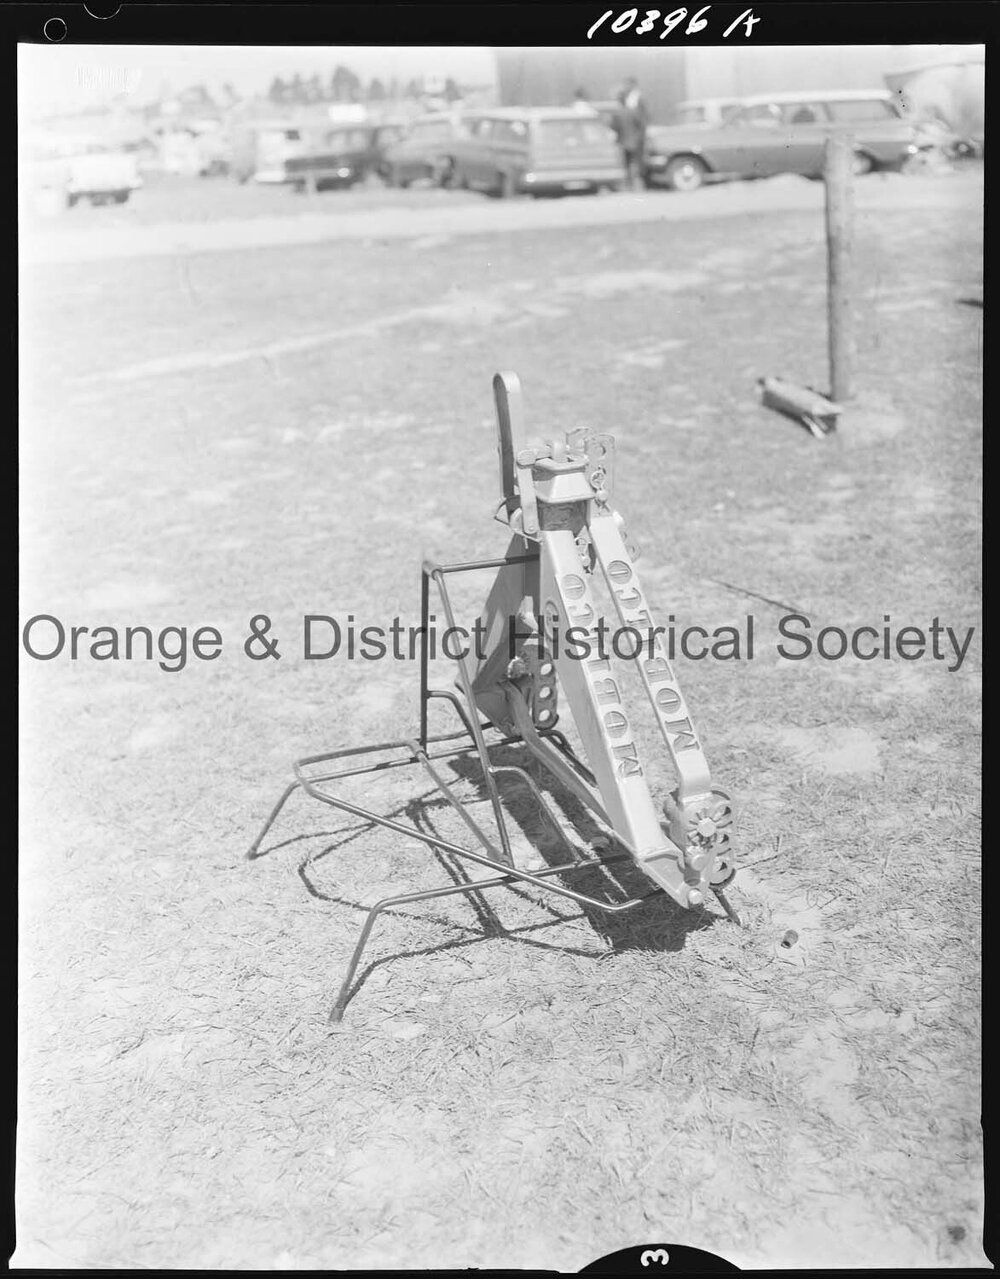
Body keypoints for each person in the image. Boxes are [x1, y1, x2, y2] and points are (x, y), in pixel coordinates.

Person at [612, 76, 649, 190]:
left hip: (624, 143)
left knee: (627, 165)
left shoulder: (617, 113)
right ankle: (639, 185)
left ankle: (630, 185)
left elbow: (614, 127)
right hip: (635, 141)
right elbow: (641, 123)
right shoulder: (632, 111)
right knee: (637, 163)